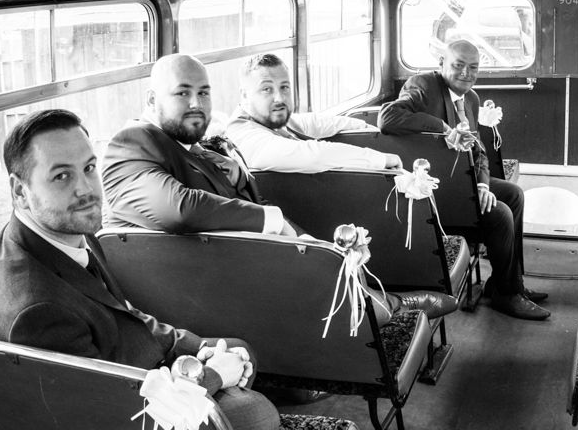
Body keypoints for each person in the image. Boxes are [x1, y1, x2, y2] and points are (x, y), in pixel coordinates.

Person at [0, 109, 280, 430]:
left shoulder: (66, 229)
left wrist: (195, 351)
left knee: (239, 349)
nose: (85, 189)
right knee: (256, 416)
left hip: (134, 366)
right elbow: (110, 419)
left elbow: (126, 315)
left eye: (89, 168)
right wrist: (212, 377)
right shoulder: (35, 310)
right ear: (20, 190)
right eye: (61, 176)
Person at [102, 53, 454, 323]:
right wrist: (275, 222)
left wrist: (301, 238)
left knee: (331, 259)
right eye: (182, 93)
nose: (196, 103)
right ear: (152, 100)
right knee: (323, 270)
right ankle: (389, 308)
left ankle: (377, 304)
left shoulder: (195, 146)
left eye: (204, 93)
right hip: (197, 274)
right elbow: (180, 209)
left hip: (236, 255)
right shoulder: (131, 143)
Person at [378, 39, 549, 321]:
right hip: (435, 190)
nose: (466, 74)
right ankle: (507, 295)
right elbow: (387, 117)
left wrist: (482, 185)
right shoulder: (424, 86)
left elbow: (478, 150)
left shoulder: (471, 99)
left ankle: (506, 283)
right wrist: (444, 129)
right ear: (442, 64)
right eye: (458, 66)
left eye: (473, 67)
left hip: (462, 181)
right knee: (499, 213)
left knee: (513, 194)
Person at [225, 53, 404, 174]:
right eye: (267, 89)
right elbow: (312, 155)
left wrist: (366, 128)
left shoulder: (272, 121)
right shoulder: (243, 136)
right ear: (244, 95)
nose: (279, 98)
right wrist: (379, 160)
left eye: (284, 87)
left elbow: (315, 122)